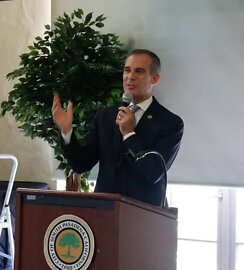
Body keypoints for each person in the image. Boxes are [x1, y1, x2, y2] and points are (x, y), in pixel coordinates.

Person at [51, 49, 184, 207]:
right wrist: (66, 131)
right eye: (127, 70)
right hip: (105, 211)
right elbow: (81, 164)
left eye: (139, 71)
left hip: (144, 214)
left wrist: (129, 133)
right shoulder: (105, 116)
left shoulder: (170, 123)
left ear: (155, 79)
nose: (130, 77)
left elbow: (153, 172)